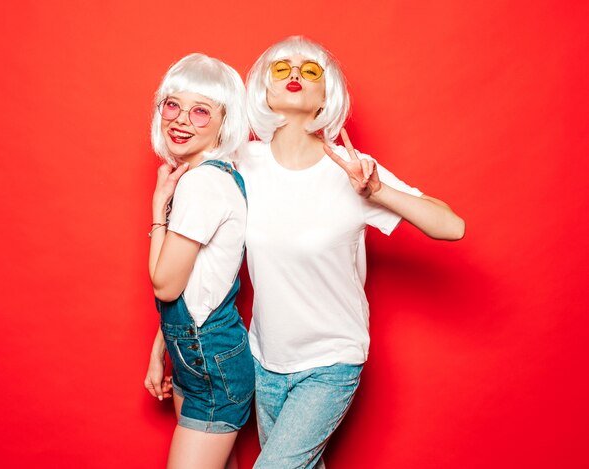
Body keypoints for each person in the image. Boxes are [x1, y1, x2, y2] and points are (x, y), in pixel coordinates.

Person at [239, 36, 465, 468]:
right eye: (281, 68)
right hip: (264, 359)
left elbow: (452, 226)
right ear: (263, 90)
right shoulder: (243, 163)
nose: (294, 75)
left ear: (327, 94)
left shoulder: (353, 170)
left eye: (310, 71)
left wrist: (378, 192)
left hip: (331, 360)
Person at [143, 53, 254, 469]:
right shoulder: (205, 177)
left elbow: (165, 284)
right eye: (173, 105)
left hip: (211, 360)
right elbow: (195, 283)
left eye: (201, 111)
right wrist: (163, 348)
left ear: (225, 123)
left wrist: (158, 209)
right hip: (195, 353)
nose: (182, 119)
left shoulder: (202, 184)